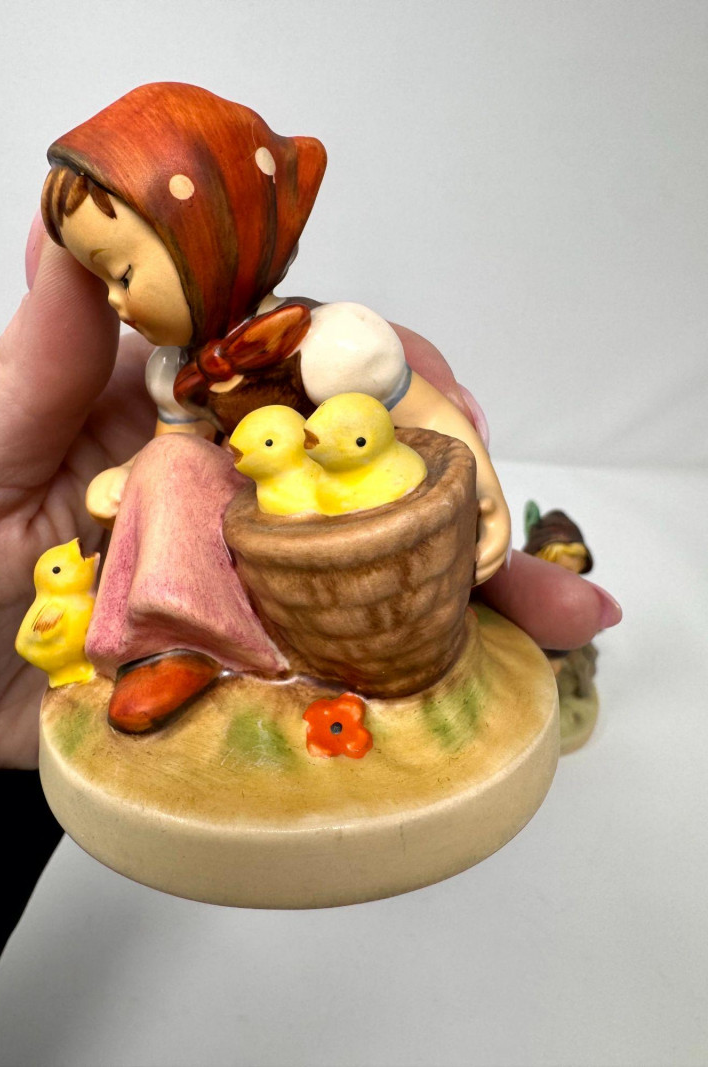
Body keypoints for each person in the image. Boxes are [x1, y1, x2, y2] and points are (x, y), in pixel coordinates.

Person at [31, 82, 621, 732]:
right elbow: (178, 446)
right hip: (256, 533)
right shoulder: (175, 372)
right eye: (102, 282)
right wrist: (133, 471)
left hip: (353, 527)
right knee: (171, 463)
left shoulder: (330, 348)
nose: (114, 304)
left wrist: (484, 491)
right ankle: (178, 642)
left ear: (208, 243)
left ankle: (324, 656)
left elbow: (428, 417)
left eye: (122, 275)